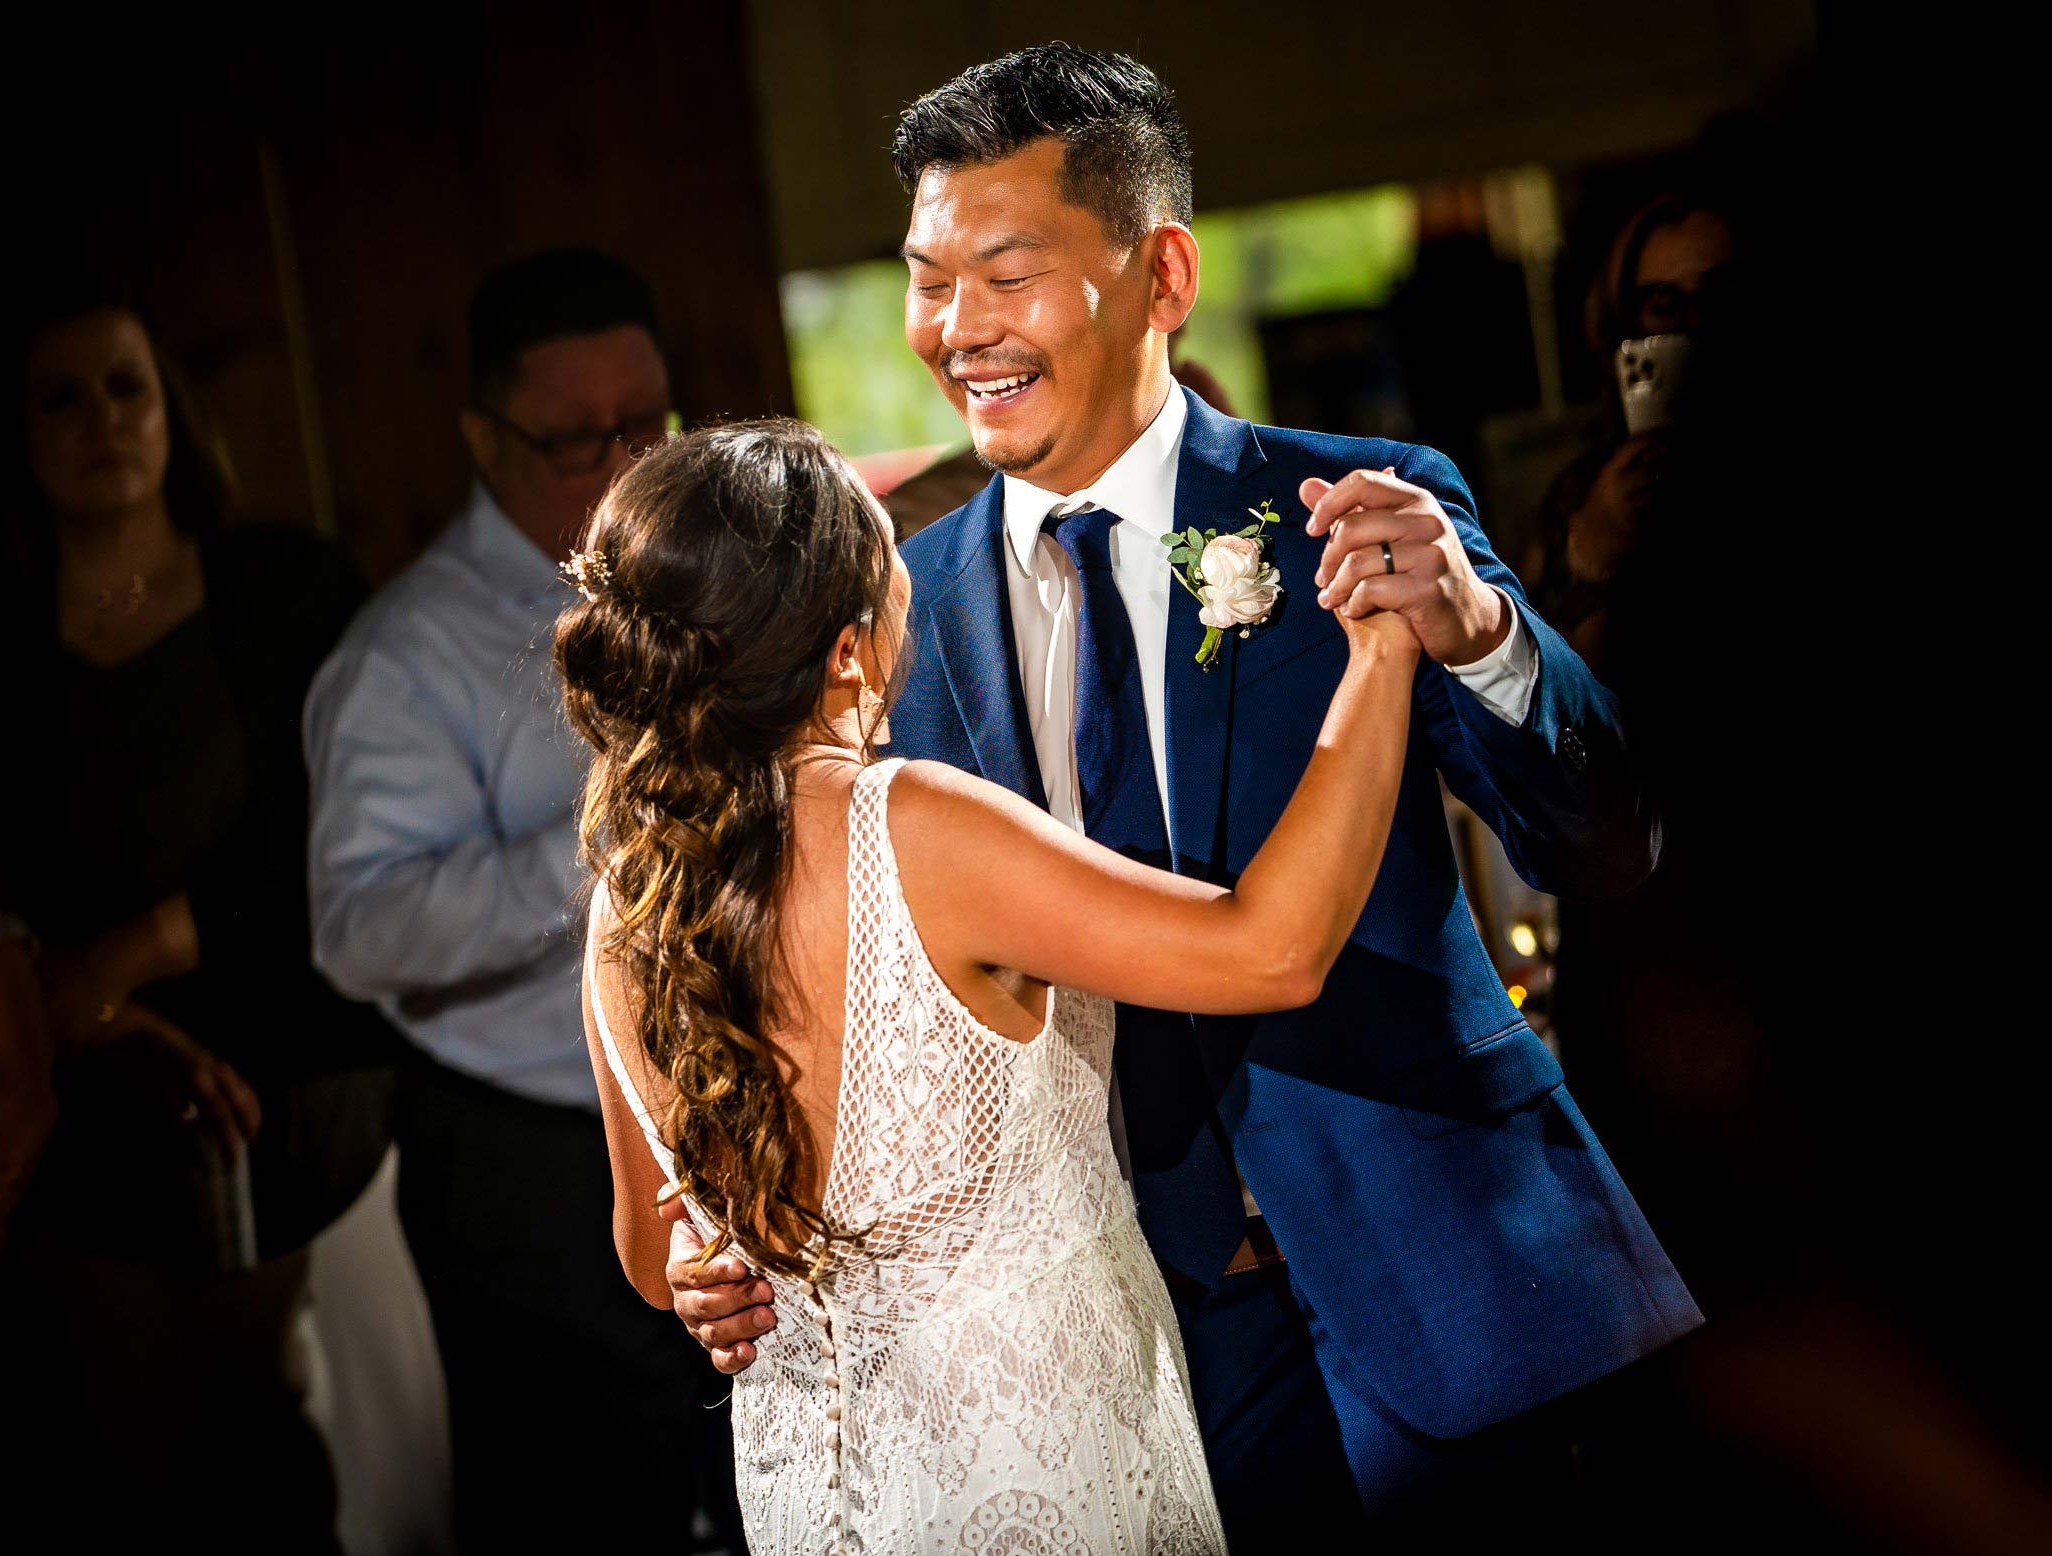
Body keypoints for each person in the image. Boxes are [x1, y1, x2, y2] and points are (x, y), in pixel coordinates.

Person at [665, 45, 1700, 1544]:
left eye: (1003, 275)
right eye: (926, 279)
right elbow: (846, 972)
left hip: (1441, 1266)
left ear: (1161, 276)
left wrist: (1483, 637)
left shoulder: (1355, 501)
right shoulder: (893, 609)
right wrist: (738, 1229)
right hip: (1123, 1346)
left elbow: (1609, 846)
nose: (956, 331)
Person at [558, 416, 1421, 1554]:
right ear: (849, 651)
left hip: (820, 1501)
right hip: (1042, 1464)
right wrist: (1382, 655)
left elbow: (647, 1255)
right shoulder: (913, 829)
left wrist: (698, 1259)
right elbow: (1271, 950)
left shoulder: (627, 907)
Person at [303, 249, 722, 1551]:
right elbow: (360, 934)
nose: (624, 464)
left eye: (646, 425)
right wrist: (616, 834)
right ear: (486, 437)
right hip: (534, 1170)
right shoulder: (404, 657)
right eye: (576, 440)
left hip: (737, 1114)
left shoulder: (709, 568)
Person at [0, 288, 393, 1546]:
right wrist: (84, 1014)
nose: (102, 418)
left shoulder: (287, 589)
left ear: (174, 413)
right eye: (61, 395)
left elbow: (344, 840)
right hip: (69, 1102)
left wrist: (127, 954)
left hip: (298, 1089)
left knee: (285, 1458)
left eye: (127, 386)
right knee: (121, 1477)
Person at [1523, 192, 1739, 662]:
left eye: (1722, 293)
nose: (1694, 325)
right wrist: (1592, 557)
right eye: (1663, 304)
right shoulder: (1586, 496)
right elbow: (1553, 706)